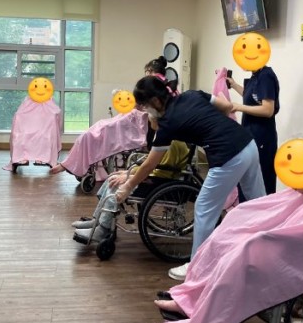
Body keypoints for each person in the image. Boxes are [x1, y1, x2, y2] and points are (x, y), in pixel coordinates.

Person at [151, 171, 303, 323]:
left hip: (302, 236)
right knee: (232, 225)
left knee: (247, 248)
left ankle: (209, 315)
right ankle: (191, 299)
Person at [110, 76, 265, 281]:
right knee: (257, 203)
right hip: (247, 143)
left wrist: (128, 186)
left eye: (145, 106)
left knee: (204, 208)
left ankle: (197, 268)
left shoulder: (168, 124)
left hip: (227, 155)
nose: (145, 111)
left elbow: (149, 164)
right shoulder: (192, 95)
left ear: (155, 101)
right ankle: (266, 251)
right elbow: (227, 107)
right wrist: (209, 124)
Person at [72, 140, 190, 243]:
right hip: (156, 178)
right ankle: (97, 220)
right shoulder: (169, 138)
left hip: (158, 183)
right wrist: (129, 172)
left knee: (115, 185)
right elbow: (152, 164)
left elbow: (160, 172)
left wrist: (130, 176)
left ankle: (103, 229)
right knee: (112, 178)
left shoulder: (172, 142)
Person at [227, 65, 280, 194]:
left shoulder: (266, 76)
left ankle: (263, 207)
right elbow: (251, 97)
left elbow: (268, 110)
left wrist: (239, 107)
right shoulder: (256, 75)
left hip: (262, 137)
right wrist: (234, 85)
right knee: (249, 178)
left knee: (262, 180)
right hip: (251, 134)